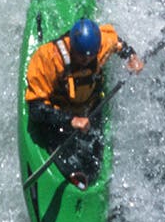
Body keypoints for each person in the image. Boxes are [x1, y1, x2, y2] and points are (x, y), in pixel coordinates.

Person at [25, 17, 144, 186]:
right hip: (61, 112)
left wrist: (132, 57)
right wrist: (70, 120)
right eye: (81, 57)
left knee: (93, 164)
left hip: (88, 107)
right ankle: (72, 175)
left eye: (90, 57)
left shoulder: (101, 45)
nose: (86, 61)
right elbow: (36, 109)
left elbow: (119, 44)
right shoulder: (49, 58)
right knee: (70, 161)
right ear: (72, 47)